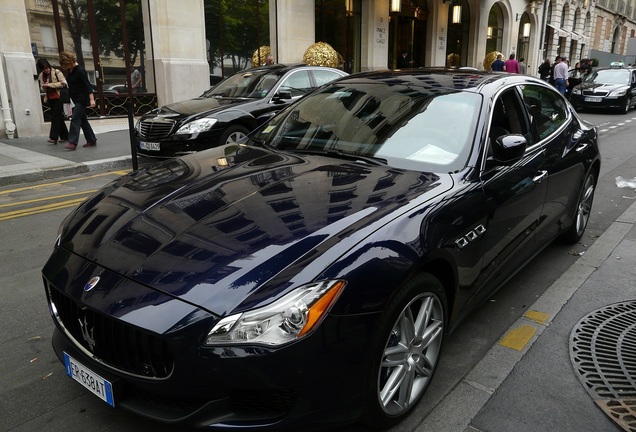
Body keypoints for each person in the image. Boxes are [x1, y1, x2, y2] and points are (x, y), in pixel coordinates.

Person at [58, 50, 97, 151]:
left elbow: (87, 85)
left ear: (69, 61)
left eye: (65, 64)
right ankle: (91, 140)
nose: (64, 67)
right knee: (83, 120)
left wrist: (92, 99)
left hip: (82, 99)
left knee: (75, 119)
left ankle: (72, 142)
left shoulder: (80, 70)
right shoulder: (71, 70)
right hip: (75, 99)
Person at [37, 58, 69, 145]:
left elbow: (63, 83)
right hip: (50, 98)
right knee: (58, 117)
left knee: (55, 117)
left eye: (47, 68)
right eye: (44, 69)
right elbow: (41, 87)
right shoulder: (41, 75)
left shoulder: (56, 72)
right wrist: (43, 87)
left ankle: (53, 137)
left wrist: (50, 85)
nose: (46, 70)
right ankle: (65, 136)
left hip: (59, 97)